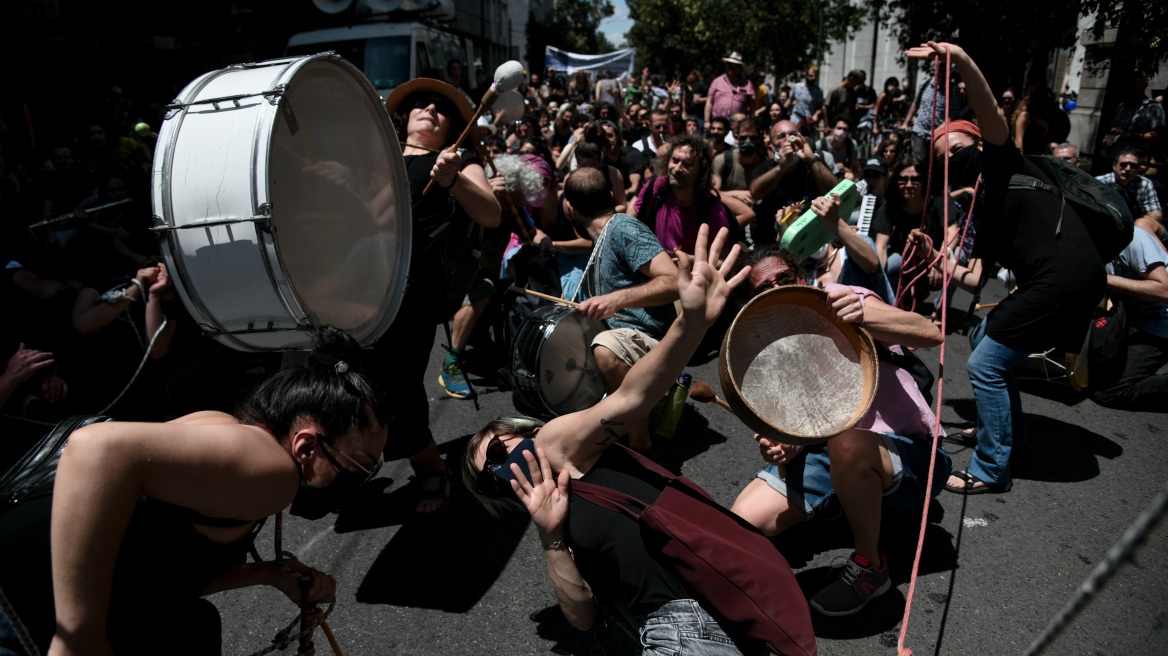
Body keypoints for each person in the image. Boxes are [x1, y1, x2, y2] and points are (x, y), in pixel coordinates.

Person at [462, 225, 799, 655]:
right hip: (663, 626)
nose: (500, 469)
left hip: (688, 618)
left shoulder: (554, 444)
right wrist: (550, 537)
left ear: (523, 430)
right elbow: (583, 617)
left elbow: (631, 397)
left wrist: (690, 323)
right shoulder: (550, 513)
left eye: (495, 451)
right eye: (491, 479)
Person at [0, 326, 388, 655]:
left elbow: (158, 570)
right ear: (306, 446)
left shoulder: (224, 428)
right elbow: (100, 449)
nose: (358, 479)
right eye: (360, 466)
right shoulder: (271, 471)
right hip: (18, 608)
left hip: (30, 592)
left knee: (192, 623)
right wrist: (80, 637)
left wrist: (269, 573)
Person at [905, 42, 1105, 495]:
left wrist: (962, 57)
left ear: (978, 140)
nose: (947, 163)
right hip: (1057, 278)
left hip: (1067, 276)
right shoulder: (981, 206)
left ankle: (992, 467)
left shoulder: (1001, 163)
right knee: (982, 336)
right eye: (940, 160)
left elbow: (988, 106)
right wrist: (937, 254)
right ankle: (1009, 432)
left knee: (985, 364)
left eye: (954, 150)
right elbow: (973, 278)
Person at [730, 244, 951, 617]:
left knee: (847, 444)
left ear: (800, 278)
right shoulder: (772, 349)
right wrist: (785, 448)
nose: (776, 289)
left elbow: (929, 333)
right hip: (835, 450)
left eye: (783, 278)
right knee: (744, 522)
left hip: (912, 453)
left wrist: (863, 314)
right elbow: (803, 425)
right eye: (762, 289)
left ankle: (870, 566)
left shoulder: (838, 297)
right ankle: (849, 506)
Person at [372, 78, 500, 513]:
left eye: (441, 109)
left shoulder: (459, 160)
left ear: (452, 129)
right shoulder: (377, 157)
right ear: (404, 117)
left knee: (396, 387)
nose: (429, 110)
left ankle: (431, 468)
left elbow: (490, 212)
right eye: (420, 104)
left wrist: (452, 181)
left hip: (412, 294)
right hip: (358, 286)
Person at [564, 167, 680, 449]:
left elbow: (674, 282)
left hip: (653, 338)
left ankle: (638, 443)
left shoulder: (623, 227)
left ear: (570, 208)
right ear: (612, 195)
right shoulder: (602, 237)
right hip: (623, 335)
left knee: (605, 347)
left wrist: (616, 299)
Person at [1090, 223, 1168, 410]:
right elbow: (1153, 224)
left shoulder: (1133, 238)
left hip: (1161, 326)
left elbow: (1165, 290)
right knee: (1090, 377)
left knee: (1110, 391)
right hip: (1135, 320)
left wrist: (1106, 279)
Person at [630, 134, 742, 256]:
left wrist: (690, 260)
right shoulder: (655, 187)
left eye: (687, 164)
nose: (677, 168)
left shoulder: (712, 209)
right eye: (675, 161)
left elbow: (721, 259)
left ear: (701, 171)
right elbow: (629, 222)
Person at [1097, 148, 1164, 243]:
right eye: (1123, 164)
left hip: (1137, 228)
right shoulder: (1099, 182)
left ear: (1138, 169)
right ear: (1114, 165)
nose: (1128, 169)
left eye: (1133, 166)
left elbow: (1156, 214)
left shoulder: (1144, 184)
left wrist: (1138, 220)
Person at [705, 52, 755, 125]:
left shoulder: (747, 84)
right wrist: (707, 121)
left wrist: (749, 121)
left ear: (740, 67)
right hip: (718, 124)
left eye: (735, 65)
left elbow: (752, 106)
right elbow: (709, 102)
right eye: (729, 64)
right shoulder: (717, 81)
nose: (731, 66)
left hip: (738, 124)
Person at [790, 66, 824, 136]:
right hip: (796, 118)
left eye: (815, 76)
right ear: (806, 75)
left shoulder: (818, 91)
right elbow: (790, 100)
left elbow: (820, 107)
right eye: (811, 76)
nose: (813, 78)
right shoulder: (797, 87)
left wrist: (816, 115)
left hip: (809, 122)